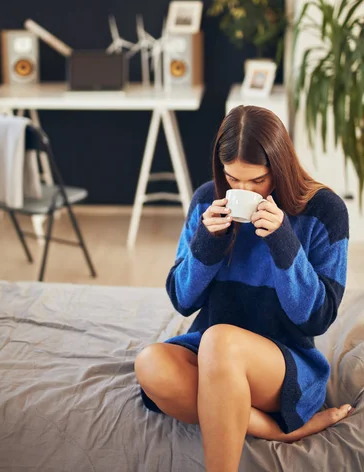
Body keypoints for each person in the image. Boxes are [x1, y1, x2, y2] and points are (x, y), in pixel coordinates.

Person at [135, 105, 353, 472]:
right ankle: (279, 431)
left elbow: (317, 318)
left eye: (257, 181)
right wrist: (208, 242)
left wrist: (284, 243)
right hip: (210, 353)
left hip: (284, 364)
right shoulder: (207, 200)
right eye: (233, 179)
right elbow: (182, 299)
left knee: (220, 340)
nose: (243, 190)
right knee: (150, 363)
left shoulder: (325, 211)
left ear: (280, 167)